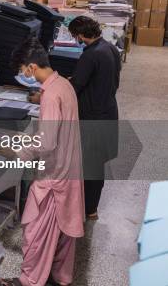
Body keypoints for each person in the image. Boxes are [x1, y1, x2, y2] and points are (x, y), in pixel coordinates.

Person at [0, 37, 84, 286]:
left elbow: (46, 143)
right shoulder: (63, 85)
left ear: (31, 68)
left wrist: (16, 152)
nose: (23, 76)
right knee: (62, 235)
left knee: (36, 232)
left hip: (54, 177)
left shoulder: (50, 95)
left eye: (22, 71)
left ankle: (29, 281)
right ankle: (60, 278)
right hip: (70, 168)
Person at [68, 16, 121, 220]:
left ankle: (86, 209)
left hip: (91, 116)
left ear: (80, 35)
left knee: (88, 165)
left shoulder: (90, 55)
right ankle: (91, 208)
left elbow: (76, 86)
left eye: (75, 35)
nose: (76, 39)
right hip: (108, 110)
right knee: (96, 164)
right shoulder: (110, 48)